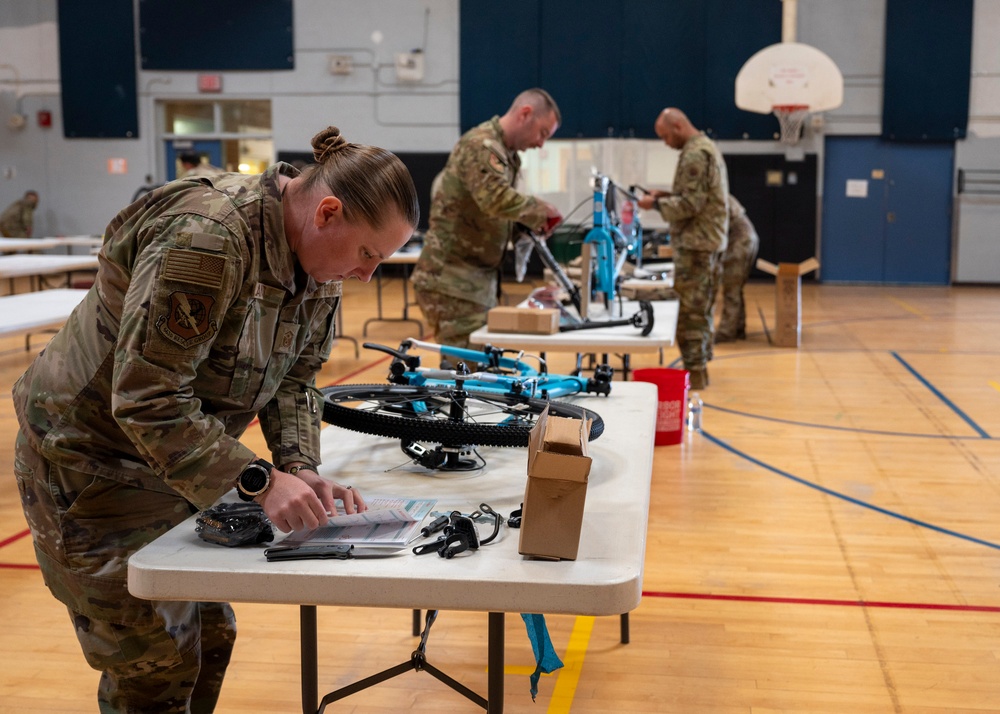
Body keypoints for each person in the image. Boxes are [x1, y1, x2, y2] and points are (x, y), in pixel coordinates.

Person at [12, 126, 418, 713]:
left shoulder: (316, 264)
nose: (367, 276)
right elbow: (147, 396)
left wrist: (298, 466)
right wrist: (257, 481)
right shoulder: (208, 238)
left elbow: (295, 380)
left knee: (211, 637)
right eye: (368, 255)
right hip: (90, 464)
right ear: (327, 212)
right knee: (154, 667)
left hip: (172, 466)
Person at [411, 88, 563, 349]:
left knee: (478, 370)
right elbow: (494, 198)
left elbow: (495, 213)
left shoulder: (507, 155)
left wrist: (523, 229)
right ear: (525, 114)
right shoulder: (481, 145)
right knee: (470, 373)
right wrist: (541, 210)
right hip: (452, 281)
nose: (541, 144)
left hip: (474, 281)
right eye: (542, 133)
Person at [638, 108, 729, 390]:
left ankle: (696, 374)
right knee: (700, 308)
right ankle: (699, 365)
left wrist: (655, 205)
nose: (666, 143)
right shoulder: (705, 147)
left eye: (666, 136)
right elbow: (696, 196)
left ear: (677, 126)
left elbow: (691, 205)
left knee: (691, 313)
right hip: (705, 242)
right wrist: (666, 195)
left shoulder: (694, 154)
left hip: (696, 244)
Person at [716, 194, 760, 342]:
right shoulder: (721, 191)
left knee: (731, 288)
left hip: (740, 241)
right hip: (747, 239)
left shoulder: (716, 196)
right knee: (736, 287)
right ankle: (738, 328)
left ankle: (727, 332)